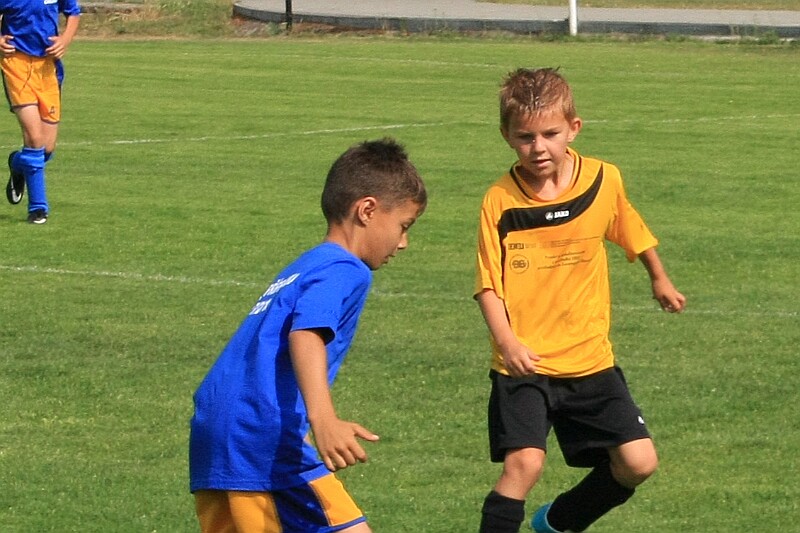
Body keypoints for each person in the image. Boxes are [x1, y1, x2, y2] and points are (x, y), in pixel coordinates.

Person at [475, 68, 686, 533]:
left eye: (550, 134)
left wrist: (659, 277)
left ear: (573, 128)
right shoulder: (500, 200)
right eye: (525, 137)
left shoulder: (603, 179)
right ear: (507, 136)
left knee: (638, 462)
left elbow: (630, 227)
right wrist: (508, 344)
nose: (539, 147)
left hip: (589, 359)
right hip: (524, 365)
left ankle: (558, 522)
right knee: (524, 466)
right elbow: (488, 284)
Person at [189, 138, 427, 533]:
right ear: (367, 210)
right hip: (262, 438)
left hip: (216, 431)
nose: (403, 243)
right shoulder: (345, 269)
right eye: (404, 226)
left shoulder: (307, 264)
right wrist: (324, 418)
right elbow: (306, 334)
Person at [1, 0, 81, 224]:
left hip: (48, 68)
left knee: (46, 148)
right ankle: (38, 208)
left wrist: (65, 39)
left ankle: (18, 164)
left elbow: (73, 12)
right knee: (34, 140)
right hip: (16, 64)